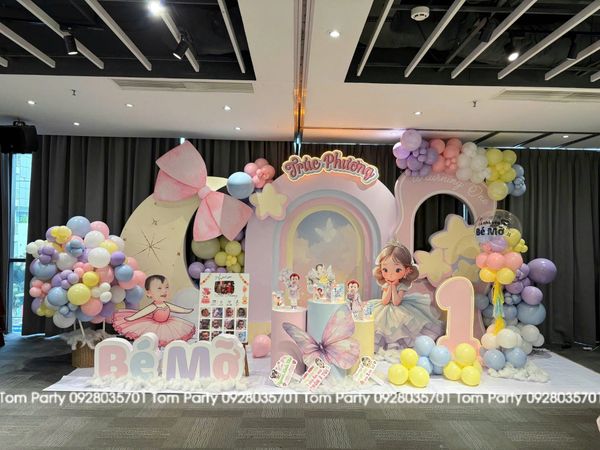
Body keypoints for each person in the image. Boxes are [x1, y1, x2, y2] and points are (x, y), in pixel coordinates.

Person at [372, 241, 442, 350]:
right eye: (385, 270)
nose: (390, 274)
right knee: (381, 326)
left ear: (407, 271)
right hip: (385, 309)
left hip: (399, 308)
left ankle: (399, 346)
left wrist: (393, 287)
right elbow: (384, 301)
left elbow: (396, 302)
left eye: (397, 270)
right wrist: (389, 287)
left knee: (401, 326)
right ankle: (385, 346)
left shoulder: (401, 286)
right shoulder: (386, 285)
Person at [112, 275, 195, 347]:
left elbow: (177, 309)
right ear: (149, 293)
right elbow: (142, 313)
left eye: (166, 287)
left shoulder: (167, 305)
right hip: (154, 326)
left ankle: (162, 351)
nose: (164, 291)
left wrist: (187, 310)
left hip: (167, 325)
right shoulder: (153, 306)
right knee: (153, 339)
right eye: (159, 288)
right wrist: (131, 318)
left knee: (165, 339)